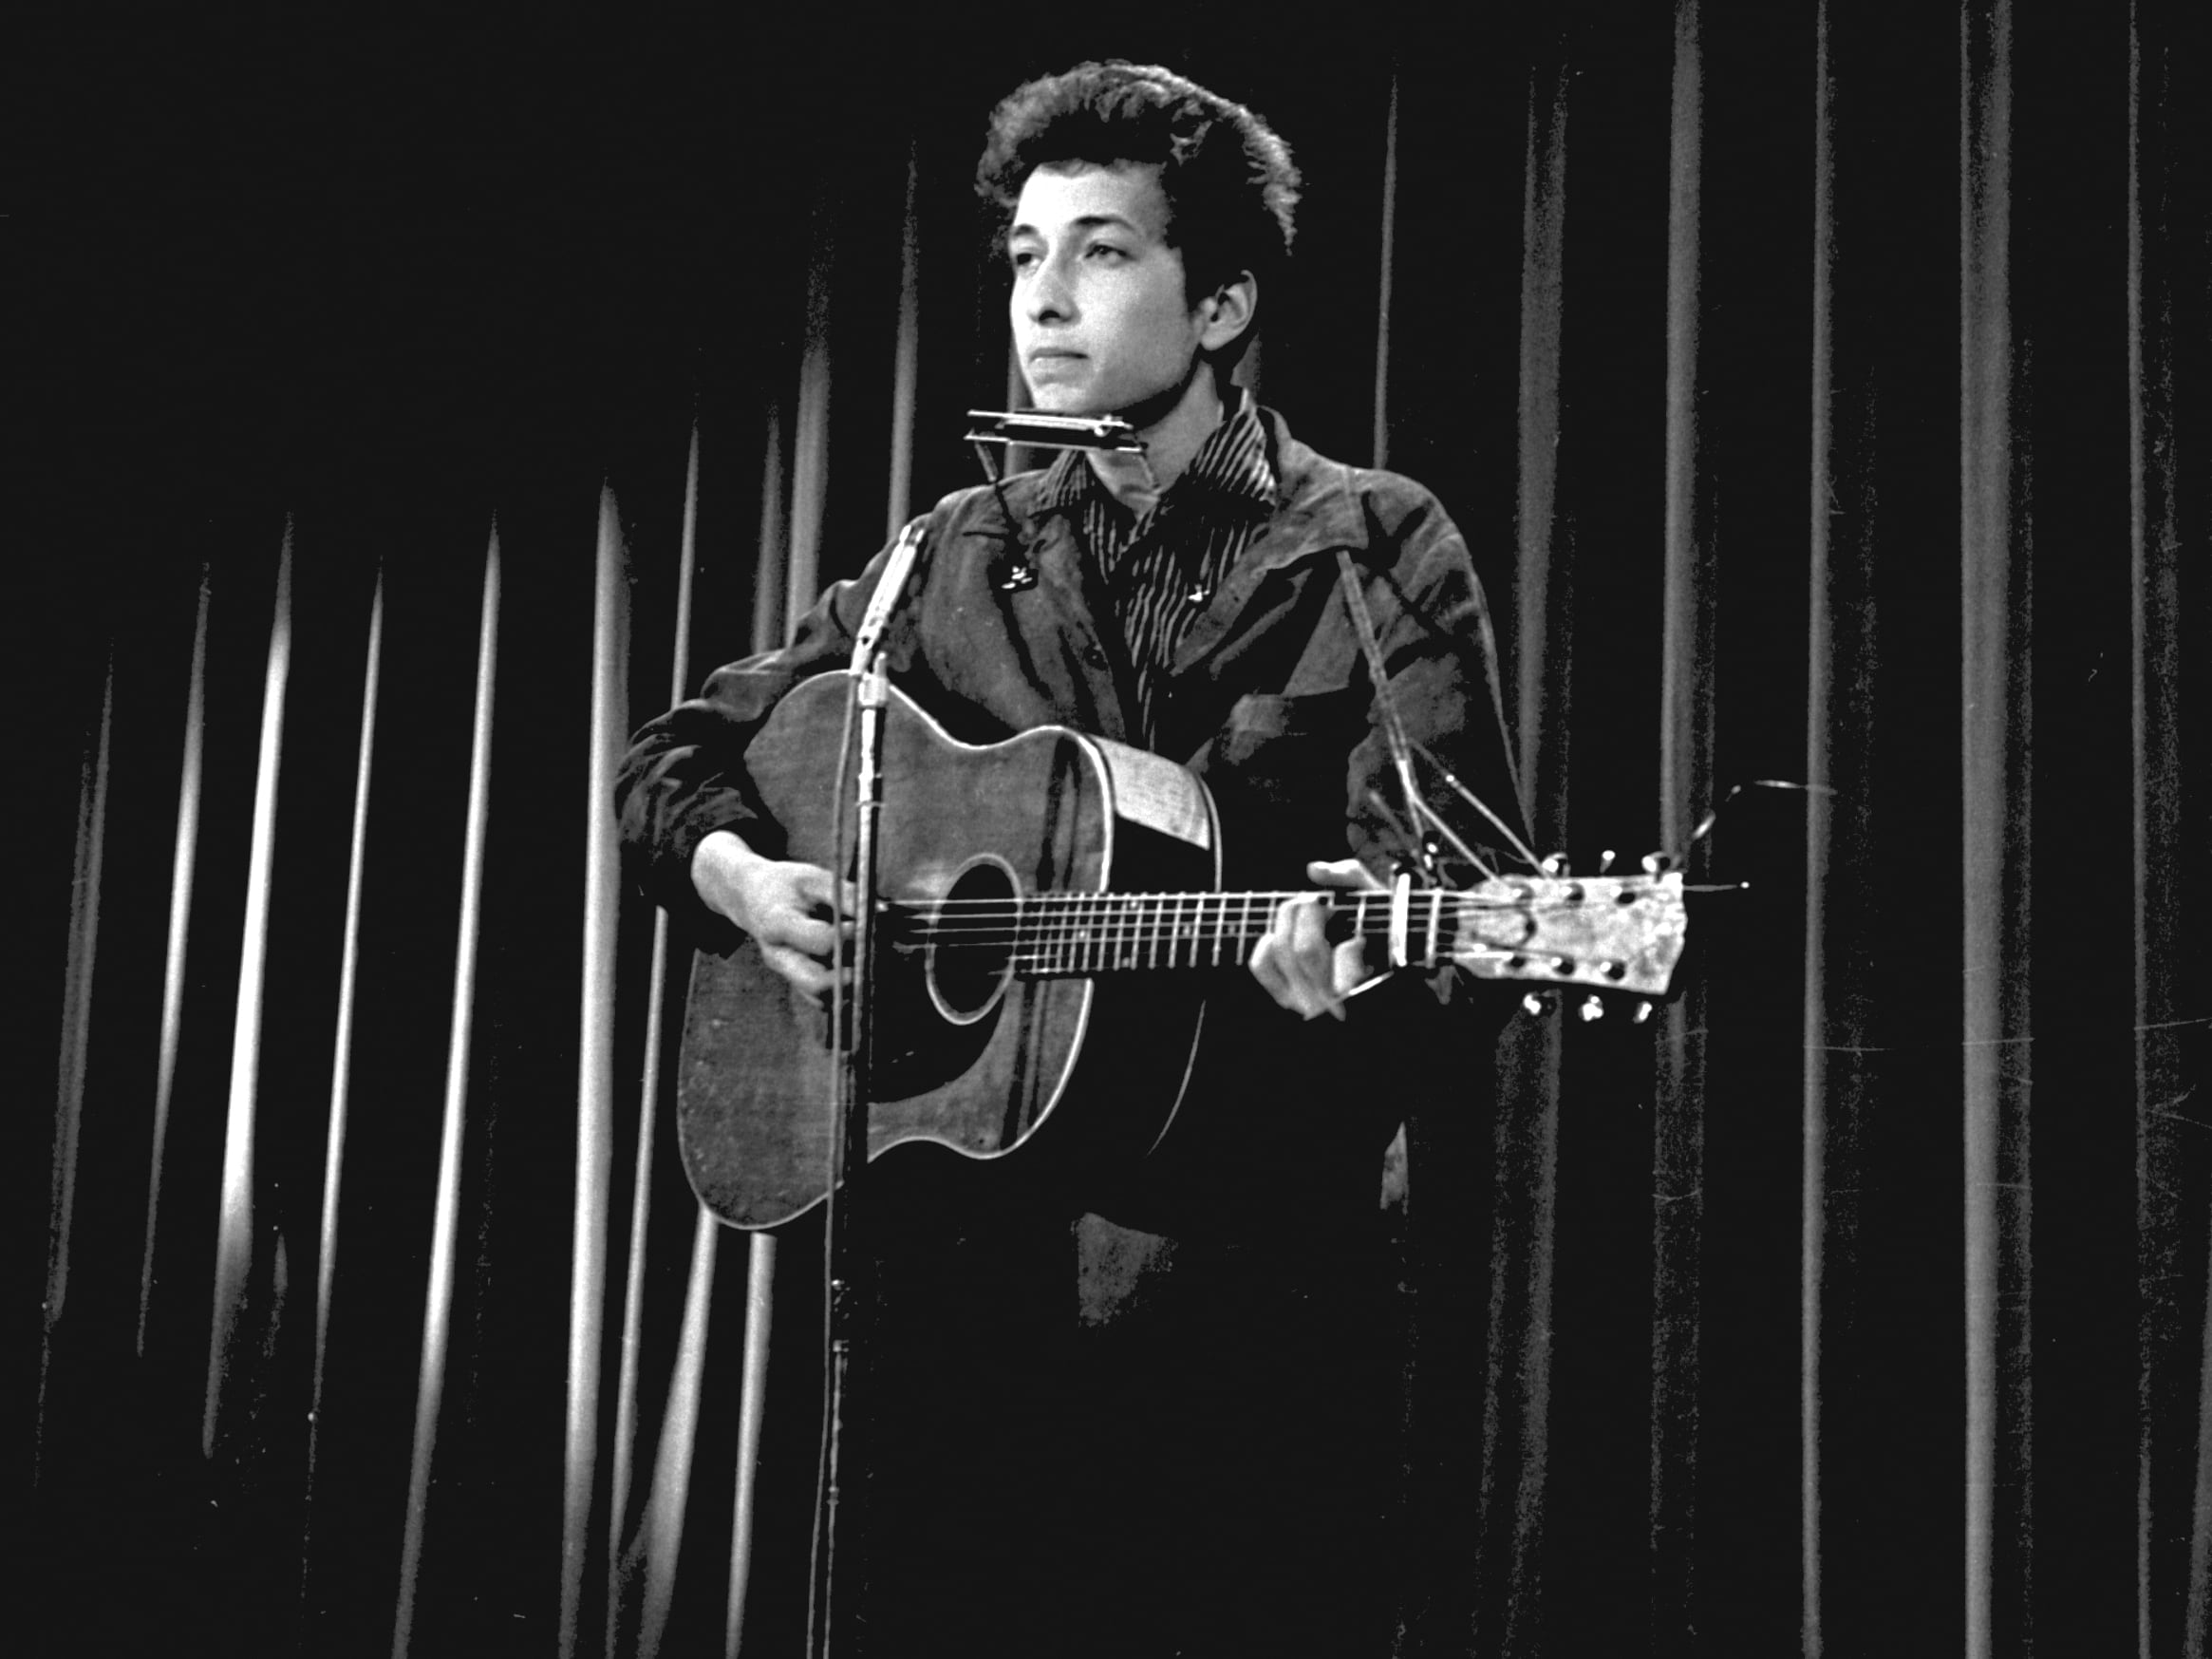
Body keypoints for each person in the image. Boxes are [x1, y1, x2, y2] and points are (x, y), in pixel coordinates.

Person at [617, 60, 1527, 1657]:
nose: (1044, 298)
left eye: (1101, 251)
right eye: (1027, 255)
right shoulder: (950, 556)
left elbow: (1437, 887)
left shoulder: (1372, 546)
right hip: (960, 1304)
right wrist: (745, 884)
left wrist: (1356, 968)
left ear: (1223, 301)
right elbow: (674, 762)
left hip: (1248, 1302)